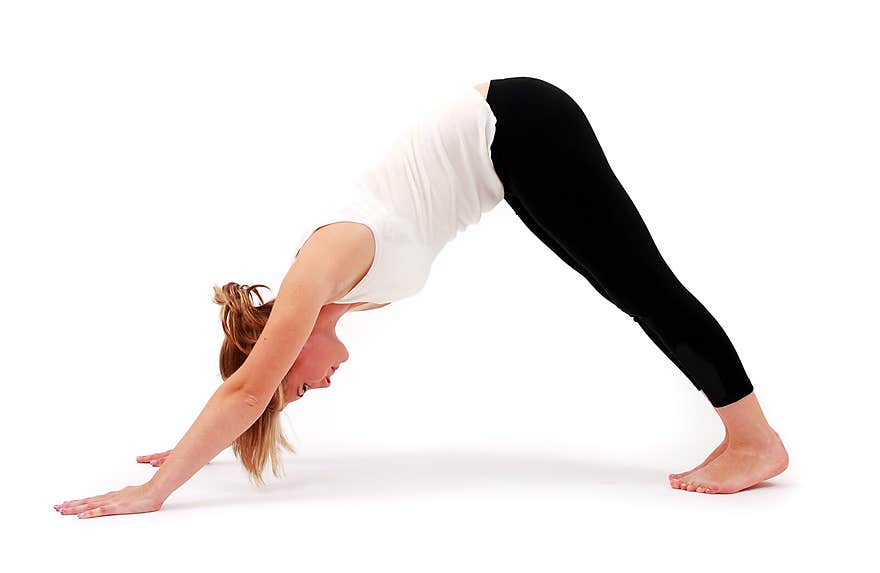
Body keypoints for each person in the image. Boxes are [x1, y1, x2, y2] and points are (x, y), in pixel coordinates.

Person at [56, 76, 788, 518]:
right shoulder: (330, 293)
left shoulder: (318, 269)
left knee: (645, 288)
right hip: (511, 152)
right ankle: (747, 434)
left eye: (300, 386)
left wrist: (151, 494)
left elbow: (248, 389)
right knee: (631, 288)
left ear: (285, 349)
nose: (319, 384)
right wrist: (190, 447)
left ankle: (754, 442)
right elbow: (252, 388)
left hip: (518, 127)